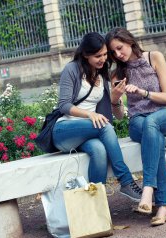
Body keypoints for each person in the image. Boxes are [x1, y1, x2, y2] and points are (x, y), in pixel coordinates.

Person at [52, 32, 142, 202]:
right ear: (85, 55)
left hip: (90, 132)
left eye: (104, 54)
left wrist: (116, 98)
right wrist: (89, 114)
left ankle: (96, 204)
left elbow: (119, 116)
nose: (102, 59)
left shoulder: (102, 73)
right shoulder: (72, 69)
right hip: (65, 131)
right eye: (97, 56)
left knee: (99, 151)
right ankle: (126, 181)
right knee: (104, 125)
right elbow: (63, 105)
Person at [105, 27, 166, 226]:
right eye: (113, 53)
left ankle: (148, 190)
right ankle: (162, 207)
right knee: (152, 134)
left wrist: (142, 92)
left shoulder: (154, 57)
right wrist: (114, 99)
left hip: (165, 115)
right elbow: (120, 116)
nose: (118, 54)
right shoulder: (117, 74)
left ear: (129, 41)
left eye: (120, 48)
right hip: (138, 122)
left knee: (152, 123)